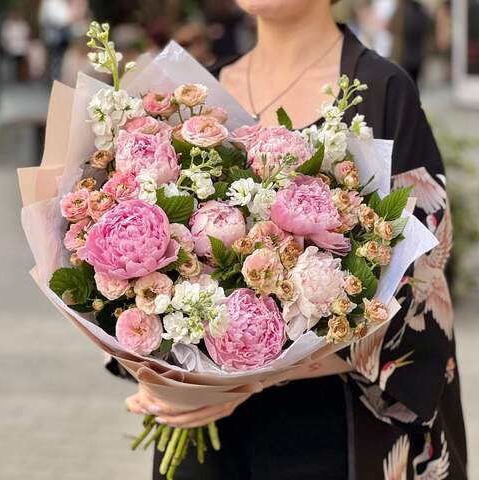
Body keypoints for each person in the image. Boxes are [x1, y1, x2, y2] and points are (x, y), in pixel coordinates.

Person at [120, 1, 467, 478]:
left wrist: (249, 379)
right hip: (199, 439)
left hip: (329, 431)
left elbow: (418, 284)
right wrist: (151, 358)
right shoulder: (192, 98)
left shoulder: (382, 92)